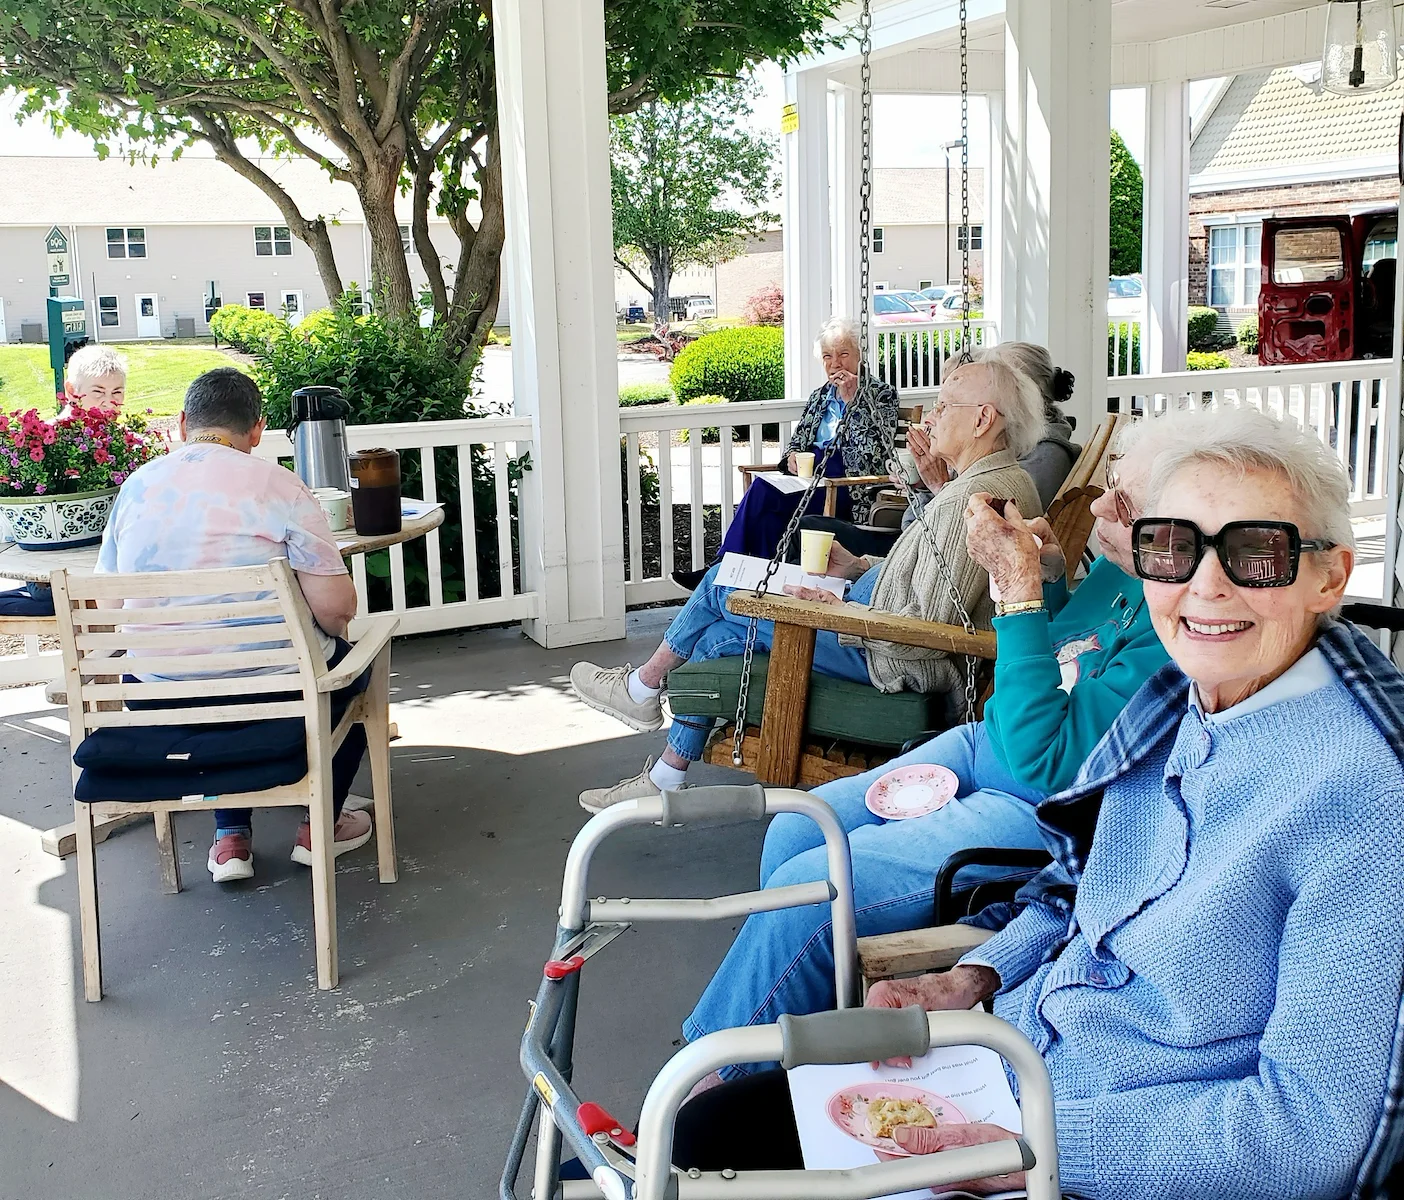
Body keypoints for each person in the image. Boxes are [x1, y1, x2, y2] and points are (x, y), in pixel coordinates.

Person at [674, 405, 1404, 1200]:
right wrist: (979, 973)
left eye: (1257, 552)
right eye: (1171, 546)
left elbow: (1315, 1134)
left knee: (708, 1168)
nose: (1205, 584)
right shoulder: (1184, 695)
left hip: (1095, 1150)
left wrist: (1024, 1148)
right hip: (1012, 1057)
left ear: (1331, 574)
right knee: (703, 1139)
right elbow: (1082, 884)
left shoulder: (1367, 796)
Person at [680, 414, 1169, 1074]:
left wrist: (1019, 594)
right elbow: (1063, 649)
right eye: (1108, 484)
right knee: (796, 832)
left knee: (812, 892)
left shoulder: (1178, 624)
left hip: (1040, 802)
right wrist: (1051, 575)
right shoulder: (1120, 571)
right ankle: (803, 1041)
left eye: (1125, 500)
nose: (1100, 504)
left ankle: (711, 1082)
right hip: (980, 743)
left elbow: (1046, 759)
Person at [570, 351, 1045, 811]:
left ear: (983, 420)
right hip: (869, 622)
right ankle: (663, 770)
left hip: (883, 653)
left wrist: (837, 613)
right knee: (719, 619)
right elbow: (930, 576)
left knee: (720, 594)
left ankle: (642, 692)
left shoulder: (977, 499)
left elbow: (924, 633)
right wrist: (857, 566)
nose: (932, 414)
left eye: (944, 405)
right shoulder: (982, 483)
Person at [95, 367, 374, 883]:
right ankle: (320, 825)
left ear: (182, 424)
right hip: (274, 695)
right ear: (256, 431)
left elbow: (107, 605)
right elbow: (337, 608)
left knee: (215, 687)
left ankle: (230, 839)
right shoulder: (279, 484)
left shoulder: (136, 487)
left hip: (161, 700)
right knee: (357, 669)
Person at [793, 342, 1081, 563]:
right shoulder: (1001, 452)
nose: (932, 417)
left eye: (945, 407)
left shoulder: (1036, 459)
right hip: (913, 543)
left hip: (916, 552)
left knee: (806, 531)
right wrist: (923, 484)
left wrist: (937, 483)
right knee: (804, 527)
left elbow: (970, 543)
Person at [670, 317, 899, 591]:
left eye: (843, 354)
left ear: (860, 356)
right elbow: (796, 443)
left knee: (764, 494)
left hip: (845, 486)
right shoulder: (819, 396)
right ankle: (760, 580)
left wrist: (852, 402)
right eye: (828, 356)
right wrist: (790, 457)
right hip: (808, 478)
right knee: (766, 508)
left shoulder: (882, 395)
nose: (835, 363)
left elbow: (873, 456)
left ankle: (721, 571)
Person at [60, 345, 127, 416]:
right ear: (71, 391)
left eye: (117, 392)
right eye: (98, 392)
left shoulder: (125, 427)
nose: (109, 404)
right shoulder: (52, 427)